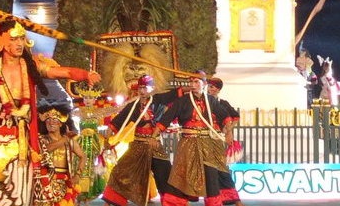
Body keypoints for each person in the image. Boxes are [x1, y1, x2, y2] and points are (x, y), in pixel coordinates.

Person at [0, 3, 101, 206]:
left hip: (19, 140)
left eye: (21, 39)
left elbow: (65, 73)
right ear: (1, 42)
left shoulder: (32, 66)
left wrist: (86, 74)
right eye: (13, 39)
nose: (19, 43)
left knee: (20, 198)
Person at [152, 70, 233, 206]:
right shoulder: (182, 101)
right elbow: (166, 119)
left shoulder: (211, 101)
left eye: (196, 81)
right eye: (191, 81)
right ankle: (174, 203)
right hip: (188, 144)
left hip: (207, 144)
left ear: (204, 84)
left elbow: (225, 116)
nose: (193, 84)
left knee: (211, 175)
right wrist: (154, 135)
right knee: (181, 174)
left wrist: (229, 133)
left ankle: (214, 203)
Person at [101, 75, 184, 206]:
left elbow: (175, 93)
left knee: (165, 174)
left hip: (154, 144)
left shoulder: (158, 100)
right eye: (140, 88)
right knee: (121, 170)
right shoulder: (134, 105)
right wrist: (110, 130)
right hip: (138, 144)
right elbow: (120, 118)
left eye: (145, 88)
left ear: (152, 88)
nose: (142, 91)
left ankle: (173, 203)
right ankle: (112, 200)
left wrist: (192, 85)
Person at [34, 102, 88, 206]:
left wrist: (77, 175)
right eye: (48, 120)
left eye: (54, 120)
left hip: (64, 183)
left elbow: (83, 156)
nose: (51, 123)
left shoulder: (70, 141)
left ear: (60, 123)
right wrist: (65, 139)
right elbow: (46, 150)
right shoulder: (42, 140)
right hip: (45, 182)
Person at [207, 77, 244, 206]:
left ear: (218, 89)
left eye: (212, 87)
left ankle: (235, 199)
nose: (209, 89)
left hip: (218, 138)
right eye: (208, 86)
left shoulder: (222, 103)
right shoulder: (203, 103)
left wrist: (228, 130)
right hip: (204, 139)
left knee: (221, 169)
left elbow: (235, 117)